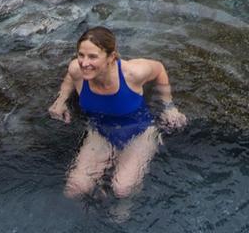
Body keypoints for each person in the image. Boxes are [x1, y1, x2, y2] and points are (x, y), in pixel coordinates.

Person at [48, 26, 187, 199]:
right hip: (100, 131)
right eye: (81, 55)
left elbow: (159, 69)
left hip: (139, 131)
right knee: (74, 189)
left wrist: (168, 106)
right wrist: (61, 100)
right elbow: (70, 76)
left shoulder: (132, 73)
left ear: (111, 57)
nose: (84, 62)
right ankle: (100, 187)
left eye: (92, 56)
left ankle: (123, 208)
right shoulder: (77, 70)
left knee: (122, 189)